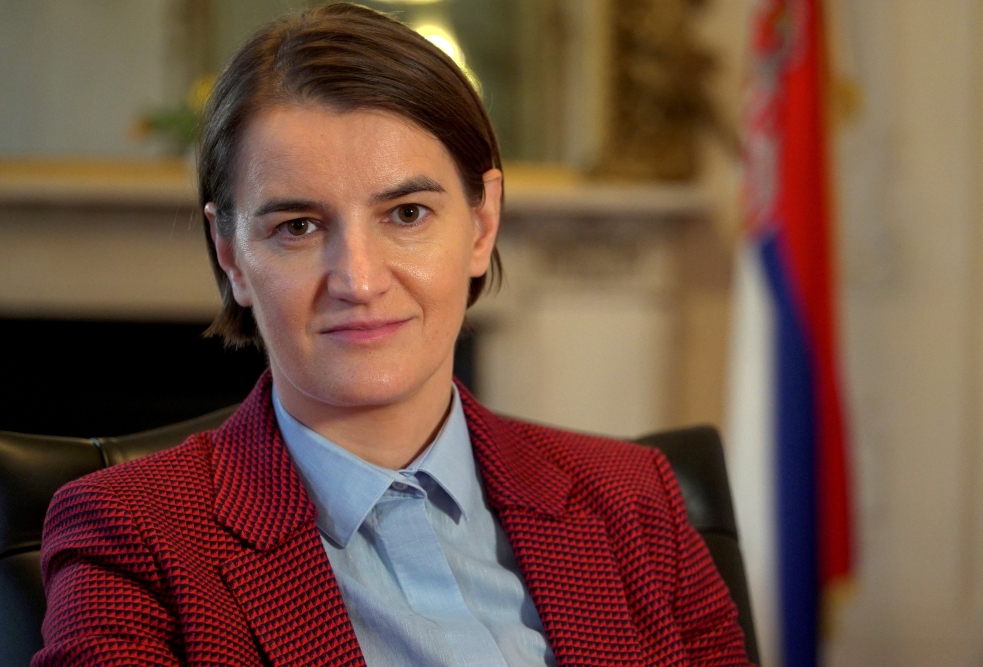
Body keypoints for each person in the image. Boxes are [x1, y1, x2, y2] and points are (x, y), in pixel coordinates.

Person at [34, 4, 752, 666]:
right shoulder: (132, 534)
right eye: (298, 226)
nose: (359, 278)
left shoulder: (633, 500)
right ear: (231, 255)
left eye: (406, 214)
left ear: (482, 222)